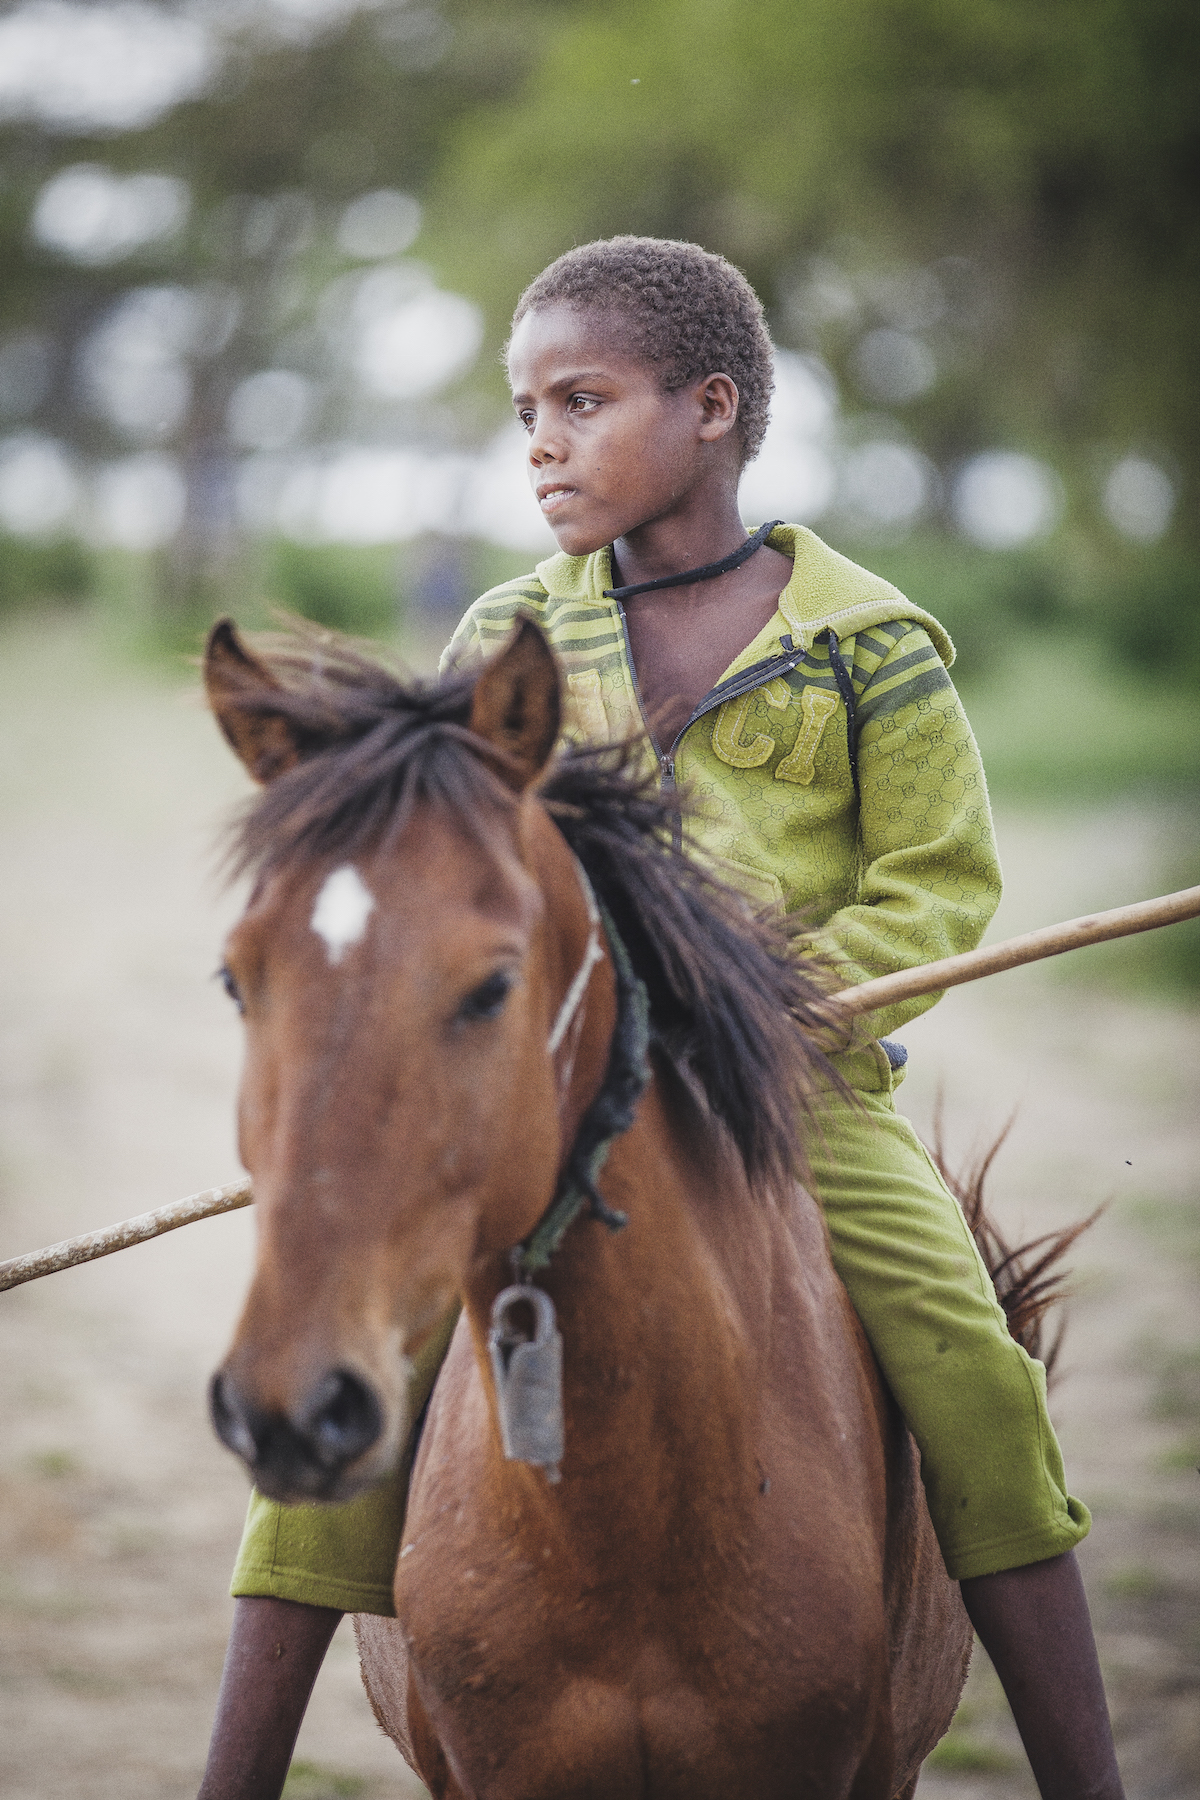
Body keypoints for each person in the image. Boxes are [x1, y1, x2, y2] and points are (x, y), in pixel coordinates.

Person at [199, 237, 1122, 1800]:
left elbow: (938, 878)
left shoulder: (870, 641)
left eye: (582, 398)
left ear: (713, 408)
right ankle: (232, 1768)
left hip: (798, 1096)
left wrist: (778, 1007)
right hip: (549, 1098)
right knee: (364, 1346)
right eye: (524, 408)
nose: (541, 441)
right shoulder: (508, 637)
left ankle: (1087, 1770)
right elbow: (440, 870)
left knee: (967, 1358)